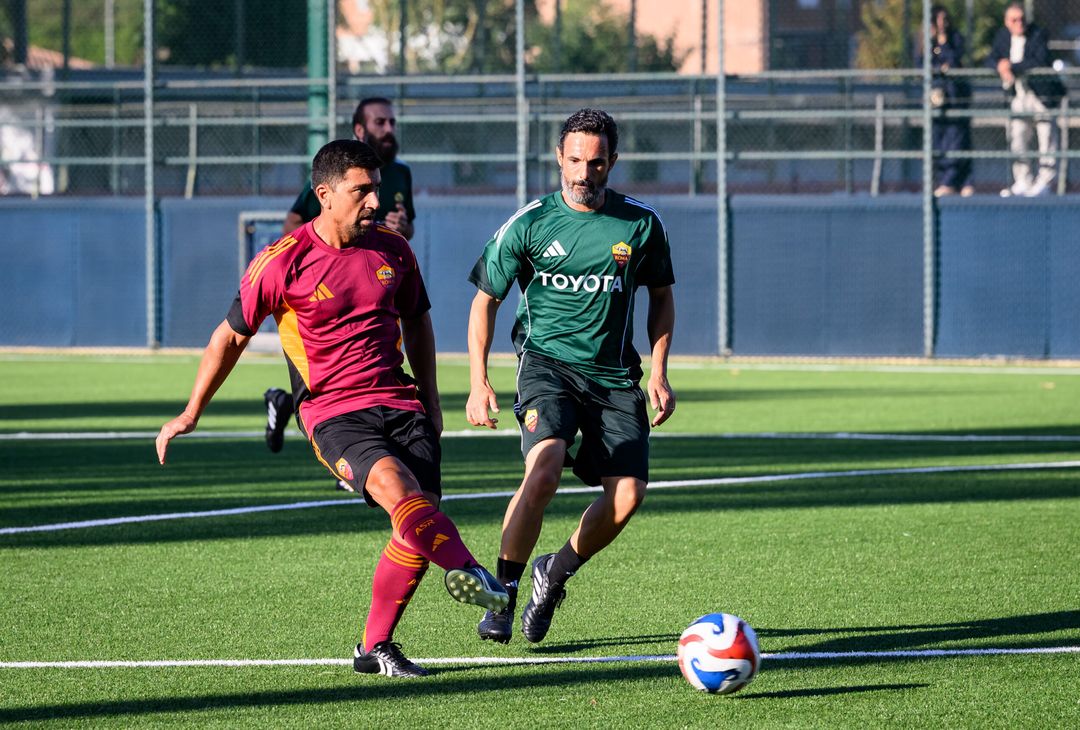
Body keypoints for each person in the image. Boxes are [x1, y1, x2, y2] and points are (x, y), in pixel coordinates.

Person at [156, 139, 507, 678]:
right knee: (400, 493)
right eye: (360, 191)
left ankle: (374, 647)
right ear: (324, 194)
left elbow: (418, 323)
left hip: (401, 401)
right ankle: (474, 572)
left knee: (414, 522)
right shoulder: (281, 262)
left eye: (377, 190)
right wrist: (191, 411)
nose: (374, 201)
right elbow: (228, 339)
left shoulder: (394, 249)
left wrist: (432, 401)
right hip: (334, 412)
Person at [465, 108, 676, 645]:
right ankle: (504, 592)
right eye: (576, 160)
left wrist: (659, 370)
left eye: (597, 162)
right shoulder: (529, 223)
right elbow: (485, 301)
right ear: (559, 157)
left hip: (613, 379)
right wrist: (478, 380)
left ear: (613, 162)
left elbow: (662, 297)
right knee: (547, 466)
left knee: (628, 495)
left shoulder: (642, 224)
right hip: (547, 367)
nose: (585, 173)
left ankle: (552, 575)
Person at [264, 97, 416, 478]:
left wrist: (399, 231)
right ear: (360, 130)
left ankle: (354, 443)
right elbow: (297, 222)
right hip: (327, 287)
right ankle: (318, 423)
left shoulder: (401, 174)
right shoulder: (335, 174)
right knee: (330, 370)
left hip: (378, 276)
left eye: (393, 122)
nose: (389, 129)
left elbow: (404, 227)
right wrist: (308, 266)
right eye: (380, 122)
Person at [989, 2, 1066, 197]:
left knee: (1046, 138)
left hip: (1040, 95)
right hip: (1018, 95)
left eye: (1022, 19)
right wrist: (1000, 65)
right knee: (1018, 136)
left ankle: (1045, 182)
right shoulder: (1002, 37)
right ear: (1007, 22)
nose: (1019, 23)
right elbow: (991, 58)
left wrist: (1011, 67)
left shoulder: (1038, 34)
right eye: (1014, 20)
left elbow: (1038, 60)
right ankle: (1022, 179)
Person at [921, 5, 973, 197]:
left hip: (956, 98)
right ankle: (944, 180)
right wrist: (937, 66)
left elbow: (953, 61)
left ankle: (958, 181)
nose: (943, 24)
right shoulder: (926, 42)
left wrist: (944, 44)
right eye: (939, 20)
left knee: (957, 141)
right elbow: (923, 63)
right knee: (938, 141)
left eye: (945, 20)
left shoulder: (955, 38)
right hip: (936, 100)